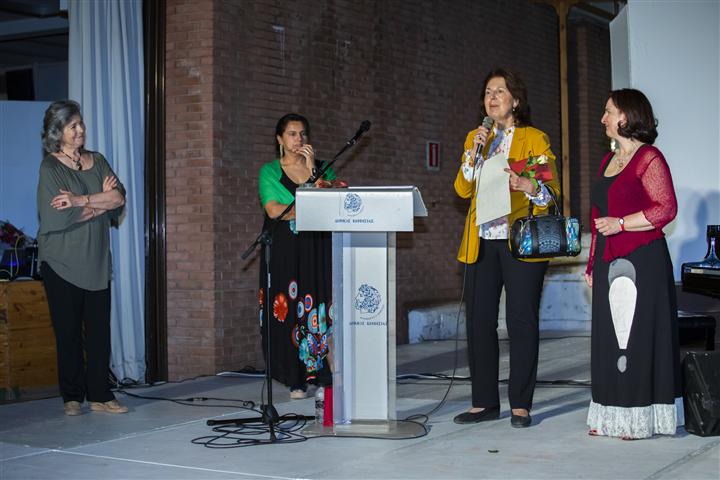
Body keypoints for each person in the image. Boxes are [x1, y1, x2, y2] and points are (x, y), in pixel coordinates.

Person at [453, 68, 560, 428]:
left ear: (515, 100)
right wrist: (473, 154)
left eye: (500, 91)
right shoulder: (475, 138)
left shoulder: (534, 138)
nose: (492, 97)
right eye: (488, 92)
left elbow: (550, 194)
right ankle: (484, 402)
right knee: (479, 321)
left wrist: (529, 185)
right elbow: (462, 190)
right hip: (483, 240)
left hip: (521, 241)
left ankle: (520, 404)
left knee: (521, 320)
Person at [584, 89, 680, 439]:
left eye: (608, 112)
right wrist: (592, 263)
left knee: (636, 336)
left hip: (642, 259)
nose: (603, 119)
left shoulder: (648, 158)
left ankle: (638, 415)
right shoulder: (607, 162)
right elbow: (597, 218)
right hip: (608, 260)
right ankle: (610, 412)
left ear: (626, 116)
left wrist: (622, 224)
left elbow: (666, 208)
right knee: (609, 338)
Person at [37, 100, 127, 416]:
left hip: (96, 260)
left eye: (81, 123)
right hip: (60, 261)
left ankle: (101, 394)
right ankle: (72, 397)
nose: (80, 130)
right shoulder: (50, 168)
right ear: (57, 132)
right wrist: (100, 202)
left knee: (100, 332)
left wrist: (79, 200)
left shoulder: (98, 160)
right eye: (72, 125)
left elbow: (119, 198)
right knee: (69, 333)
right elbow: (59, 217)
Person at [258, 113, 336, 398]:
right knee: (289, 307)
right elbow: (274, 210)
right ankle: (295, 378)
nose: (298, 139)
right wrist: (310, 207)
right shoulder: (269, 171)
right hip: (284, 250)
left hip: (316, 247)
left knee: (316, 306)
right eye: (292, 134)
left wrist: (313, 169)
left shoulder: (323, 169)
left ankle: (320, 372)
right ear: (280, 139)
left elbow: (333, 202)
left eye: (302, 134)